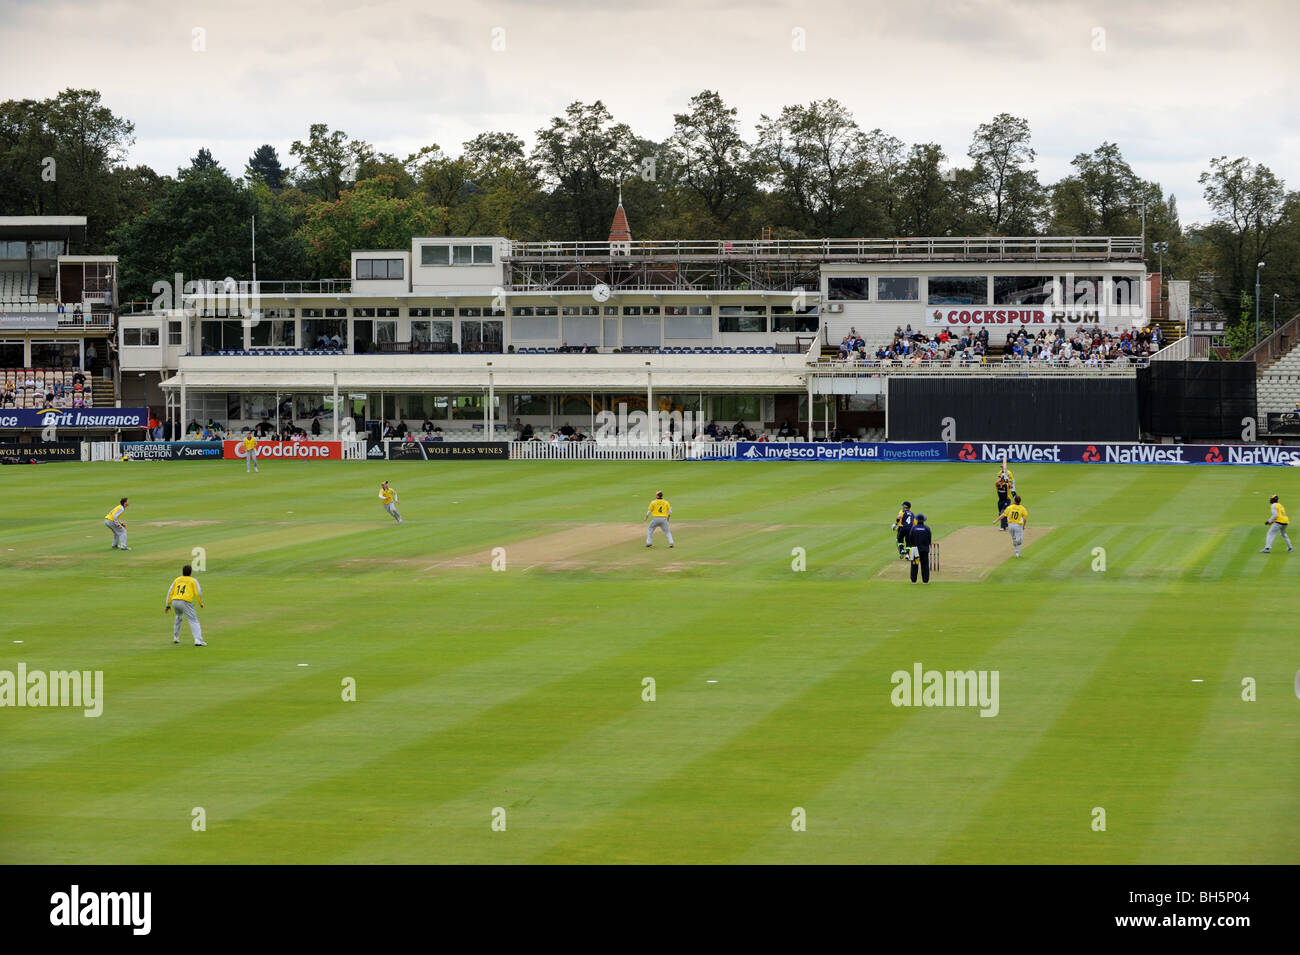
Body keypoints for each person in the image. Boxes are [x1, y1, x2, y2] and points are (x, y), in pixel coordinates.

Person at [164, 563, 206, 646]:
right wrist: (201, 603)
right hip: (185, 601)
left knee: (178, 617)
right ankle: (198, 640)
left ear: (182, 572)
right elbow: (198, 593)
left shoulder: (177, 579)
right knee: (193, 620)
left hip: (175, 601)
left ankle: (176, 637)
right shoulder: (193, 580)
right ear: (190, 573)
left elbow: (170, 592)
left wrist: (168, 605)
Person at [908, 514, 933, 584]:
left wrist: (913, 545)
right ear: (923, 520)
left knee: (914, 565)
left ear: (917, 520)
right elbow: (929, 539)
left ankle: (913, 580)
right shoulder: (927, 528)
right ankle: (925, 581)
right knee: (925, 565)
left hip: (914, 549)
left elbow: (910, 538)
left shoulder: (913, 528)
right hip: (924, 549)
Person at [995, 466, 1015, 530]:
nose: (1000, 481)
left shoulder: (1006, 485)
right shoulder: (997, 485)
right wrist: (1001, 477)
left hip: (1006, 500)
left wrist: (1007, 480)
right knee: (1000, 513)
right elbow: (996, 482)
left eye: (1001, 480)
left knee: (1003, 512)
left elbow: (1011, 487)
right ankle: (1006, 525)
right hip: (1000, 501)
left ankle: (1002, 527)